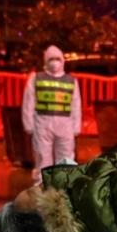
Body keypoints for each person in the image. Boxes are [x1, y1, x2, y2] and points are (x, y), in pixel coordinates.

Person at [21, 45, 81, 183]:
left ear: (63, 61)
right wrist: (28, 124)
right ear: (45, 61)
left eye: (58, 59)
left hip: (65, 124)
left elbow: (76, 104)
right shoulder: (36, 78)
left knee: (66, 157)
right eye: (51, 59)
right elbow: (29, 101)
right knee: (42, 157)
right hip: (42, 122)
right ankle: (42, 186)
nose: (55, 62)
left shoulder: (71, 81)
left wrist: (76, 126)